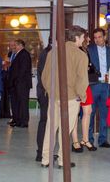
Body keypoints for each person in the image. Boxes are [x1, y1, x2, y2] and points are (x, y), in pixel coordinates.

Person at [41, 25, 89, 169]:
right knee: (65, 129)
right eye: (83, 38)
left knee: (51, 127)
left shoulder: (53, 52)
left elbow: (44, 76)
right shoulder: (80, 55)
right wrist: (82, 96)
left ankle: (45, 159)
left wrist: (49, 90)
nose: (83, 40)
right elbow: (82, 79)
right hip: (71, 97)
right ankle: (63, 160)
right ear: (76, 38)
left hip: (53, 96)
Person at [72, 31, 97, 152]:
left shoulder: (86, 50)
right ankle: (75, 141)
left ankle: (85, 139)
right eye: (86, 38)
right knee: (75, 112)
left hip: (85, 83)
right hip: (75, 84)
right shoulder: (75, 50)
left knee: (88, 110)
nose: (89, 40)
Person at [88, 28, 110, 148]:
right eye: (95, 37)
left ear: (104, 37)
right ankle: (89, 140)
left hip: (106, 85)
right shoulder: (89, 50)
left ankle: (103, 140)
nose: (97, 40)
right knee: (90, 113)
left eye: (99, 37)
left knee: (105, 113)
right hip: (94, 85)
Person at [9, 39, 32, 128]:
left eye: (16, 45)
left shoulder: (24, 54)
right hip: (18, 83)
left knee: (23, 102)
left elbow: (23, 69)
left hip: (22, 83)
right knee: (18, 102)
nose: (14, 47)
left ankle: (24, 121)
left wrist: (17, 80)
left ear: (20, 45)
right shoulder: (18, 54)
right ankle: (18, 120)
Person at [35, 39, 51, 162]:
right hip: (46, 92)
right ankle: (41, 152)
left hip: (44, 91)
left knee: (45, 121)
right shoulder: (48, 54)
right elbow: (44, 75)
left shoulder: (46, 52)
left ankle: (43, 152)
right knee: (45, 121)